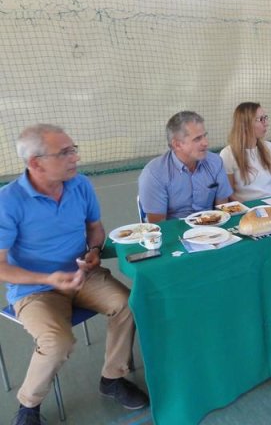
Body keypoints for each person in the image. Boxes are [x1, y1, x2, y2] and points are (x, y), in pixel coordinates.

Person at [0, 124, 148, 425]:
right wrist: (48, 279)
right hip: (35, 289)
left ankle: (112, 378)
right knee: (57, 342)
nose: (75, 158)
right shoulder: (8, 201)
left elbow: (95, 228)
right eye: (65, 152)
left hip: (82, 275)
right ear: (36, 163)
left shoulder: (80, 185)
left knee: (128, 304)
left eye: (73, 149)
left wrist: (93, 250)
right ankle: (29, 406)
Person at [138, 111, 233, 222]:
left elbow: (222, 210)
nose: (205, 143)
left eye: (205, 136)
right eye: (197, 139)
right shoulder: (154, 174)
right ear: (177, 144)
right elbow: (159, 225)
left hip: (211, 227)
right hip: (175, 230)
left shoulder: (215, 162)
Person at [219, 102, 271, 202]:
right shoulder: (227, 154)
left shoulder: (269, 147)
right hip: (245, 208)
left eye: (265, 118)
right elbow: (229, 193)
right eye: (261, 119)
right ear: (245, 124)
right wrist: (249, 208)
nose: (266, 123)